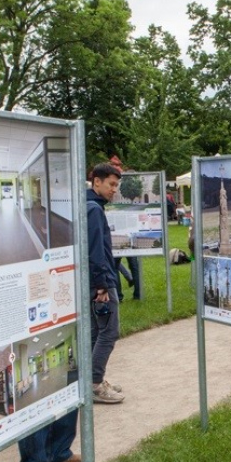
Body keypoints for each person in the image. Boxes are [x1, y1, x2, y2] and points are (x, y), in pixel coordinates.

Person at [87, 163, 125, 404]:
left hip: (93, 280)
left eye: (116, 185)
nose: (114, 190)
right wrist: (102, 285)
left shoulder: (88, 206)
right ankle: (95, 384)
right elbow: (96, 251)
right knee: (109, 332)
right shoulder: (93, 209)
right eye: (111, 184)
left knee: (95, 332)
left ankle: (91, 380)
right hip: (100, 281)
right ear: (96, 182)